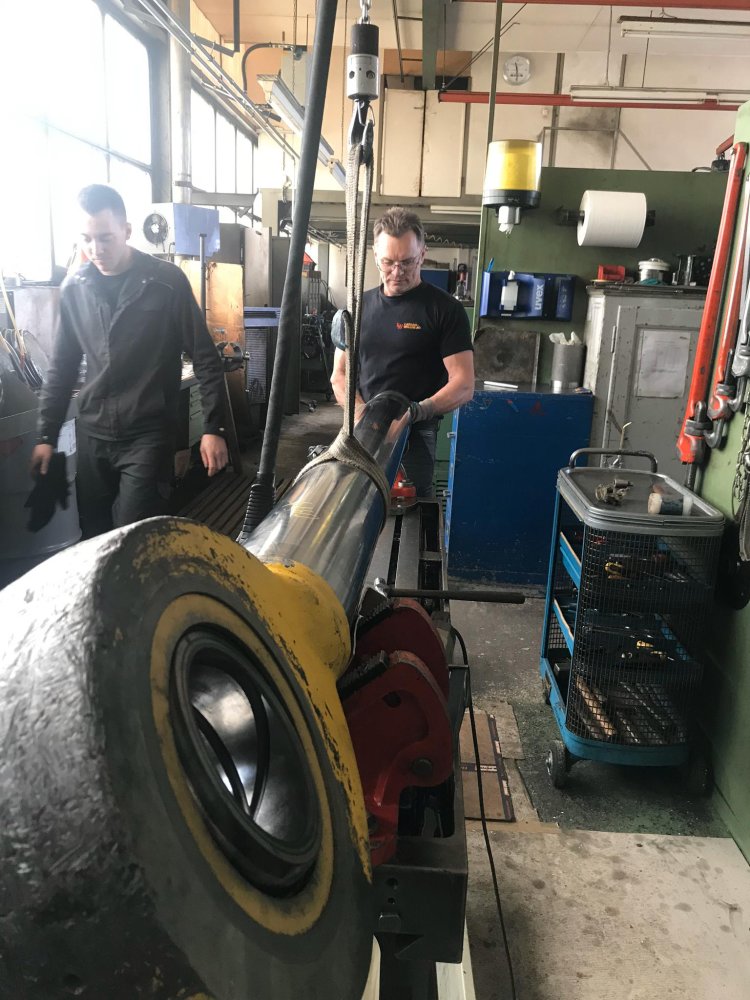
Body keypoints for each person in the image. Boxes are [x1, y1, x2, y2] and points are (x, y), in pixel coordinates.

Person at [31, 184, 228, 538]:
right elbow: (61, 367)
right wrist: (47, 434)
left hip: (147, 434)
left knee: (132, 535)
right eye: (86, 239)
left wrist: (214, 428)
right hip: (93, 433)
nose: (96, 249)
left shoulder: (165, 282)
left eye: (105, 238)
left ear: (127, 230)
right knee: (94, 536)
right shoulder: (75, 288)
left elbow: (205, 357)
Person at [331, 207, 475, 497]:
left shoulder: (445, 310)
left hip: (417, 432)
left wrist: (414, 413)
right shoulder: (356, 309)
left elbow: (464, 384)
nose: (397, 272)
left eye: (407, 262)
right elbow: (340, 374)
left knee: (413, 508)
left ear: (422, 254)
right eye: (388, 262)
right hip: (363, 427)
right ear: (375, 256)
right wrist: (362, 415)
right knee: (355, 504)